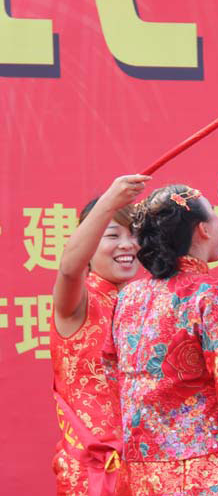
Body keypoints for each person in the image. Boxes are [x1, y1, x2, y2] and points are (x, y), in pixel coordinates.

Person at [102, 184, 218, 496]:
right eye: (214, 216)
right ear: (203, 230)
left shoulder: (128, 297)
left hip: (140, 476)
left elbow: (112, 374)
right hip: (205, 474)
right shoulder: (214, 296)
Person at [50, 174, 149, 496]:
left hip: (148, 473)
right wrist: (109, 203)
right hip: (92, 478)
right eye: (112, 235)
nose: (127, 244)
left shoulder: (146, 304)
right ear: (89, 246)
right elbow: (69, 269)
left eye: (134, 234)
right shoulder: (77, 303)